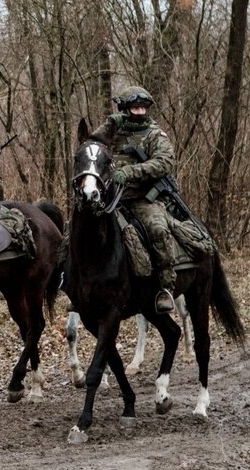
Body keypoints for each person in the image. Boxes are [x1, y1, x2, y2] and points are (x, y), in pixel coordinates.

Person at [95, 85, 178, 313]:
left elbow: (163, 162)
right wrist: (109, 125)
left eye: (143, 107)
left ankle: (165, 288)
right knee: (79, 226)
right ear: (124, 108)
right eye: (134, 107)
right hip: (112, 198)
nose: (140, 111)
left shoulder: (154, 134)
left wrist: (130, 172)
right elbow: (92, 145)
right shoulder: (115, 131)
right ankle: (70, 280)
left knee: (158, 229)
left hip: (143, 199)